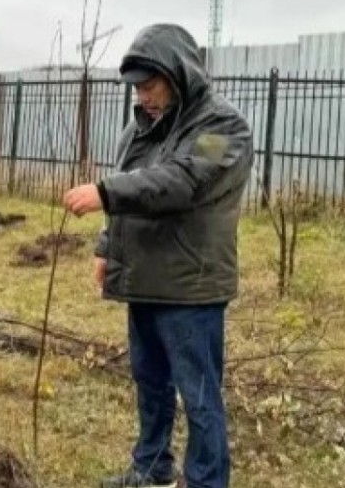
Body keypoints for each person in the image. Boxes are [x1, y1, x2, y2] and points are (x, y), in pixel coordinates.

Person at [63, 24, 254, 488]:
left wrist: (105, 193)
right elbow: (130, 183)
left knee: (199, 394)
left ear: (178, 75)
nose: (143, 97)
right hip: (145, 278)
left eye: (150, 86)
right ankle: (153, 469)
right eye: (137, 87)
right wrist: (107, 247)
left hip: (191, 284)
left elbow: (181, 180)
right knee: (150, 382)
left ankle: (207, 481)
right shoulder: (141, 128)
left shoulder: (221, 129)